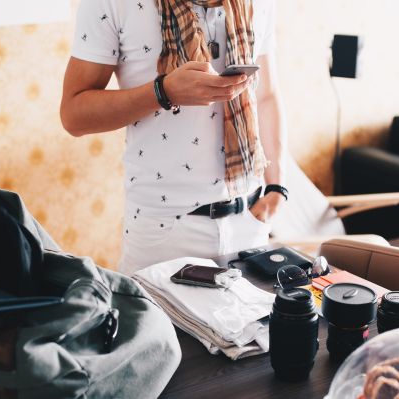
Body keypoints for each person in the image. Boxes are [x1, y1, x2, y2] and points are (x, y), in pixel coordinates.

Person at [61, 0, 287, 275]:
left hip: (250, 223)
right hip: (164, 231)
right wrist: (163, 92)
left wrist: (277, 188)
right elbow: (73, 114)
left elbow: (266, 96)